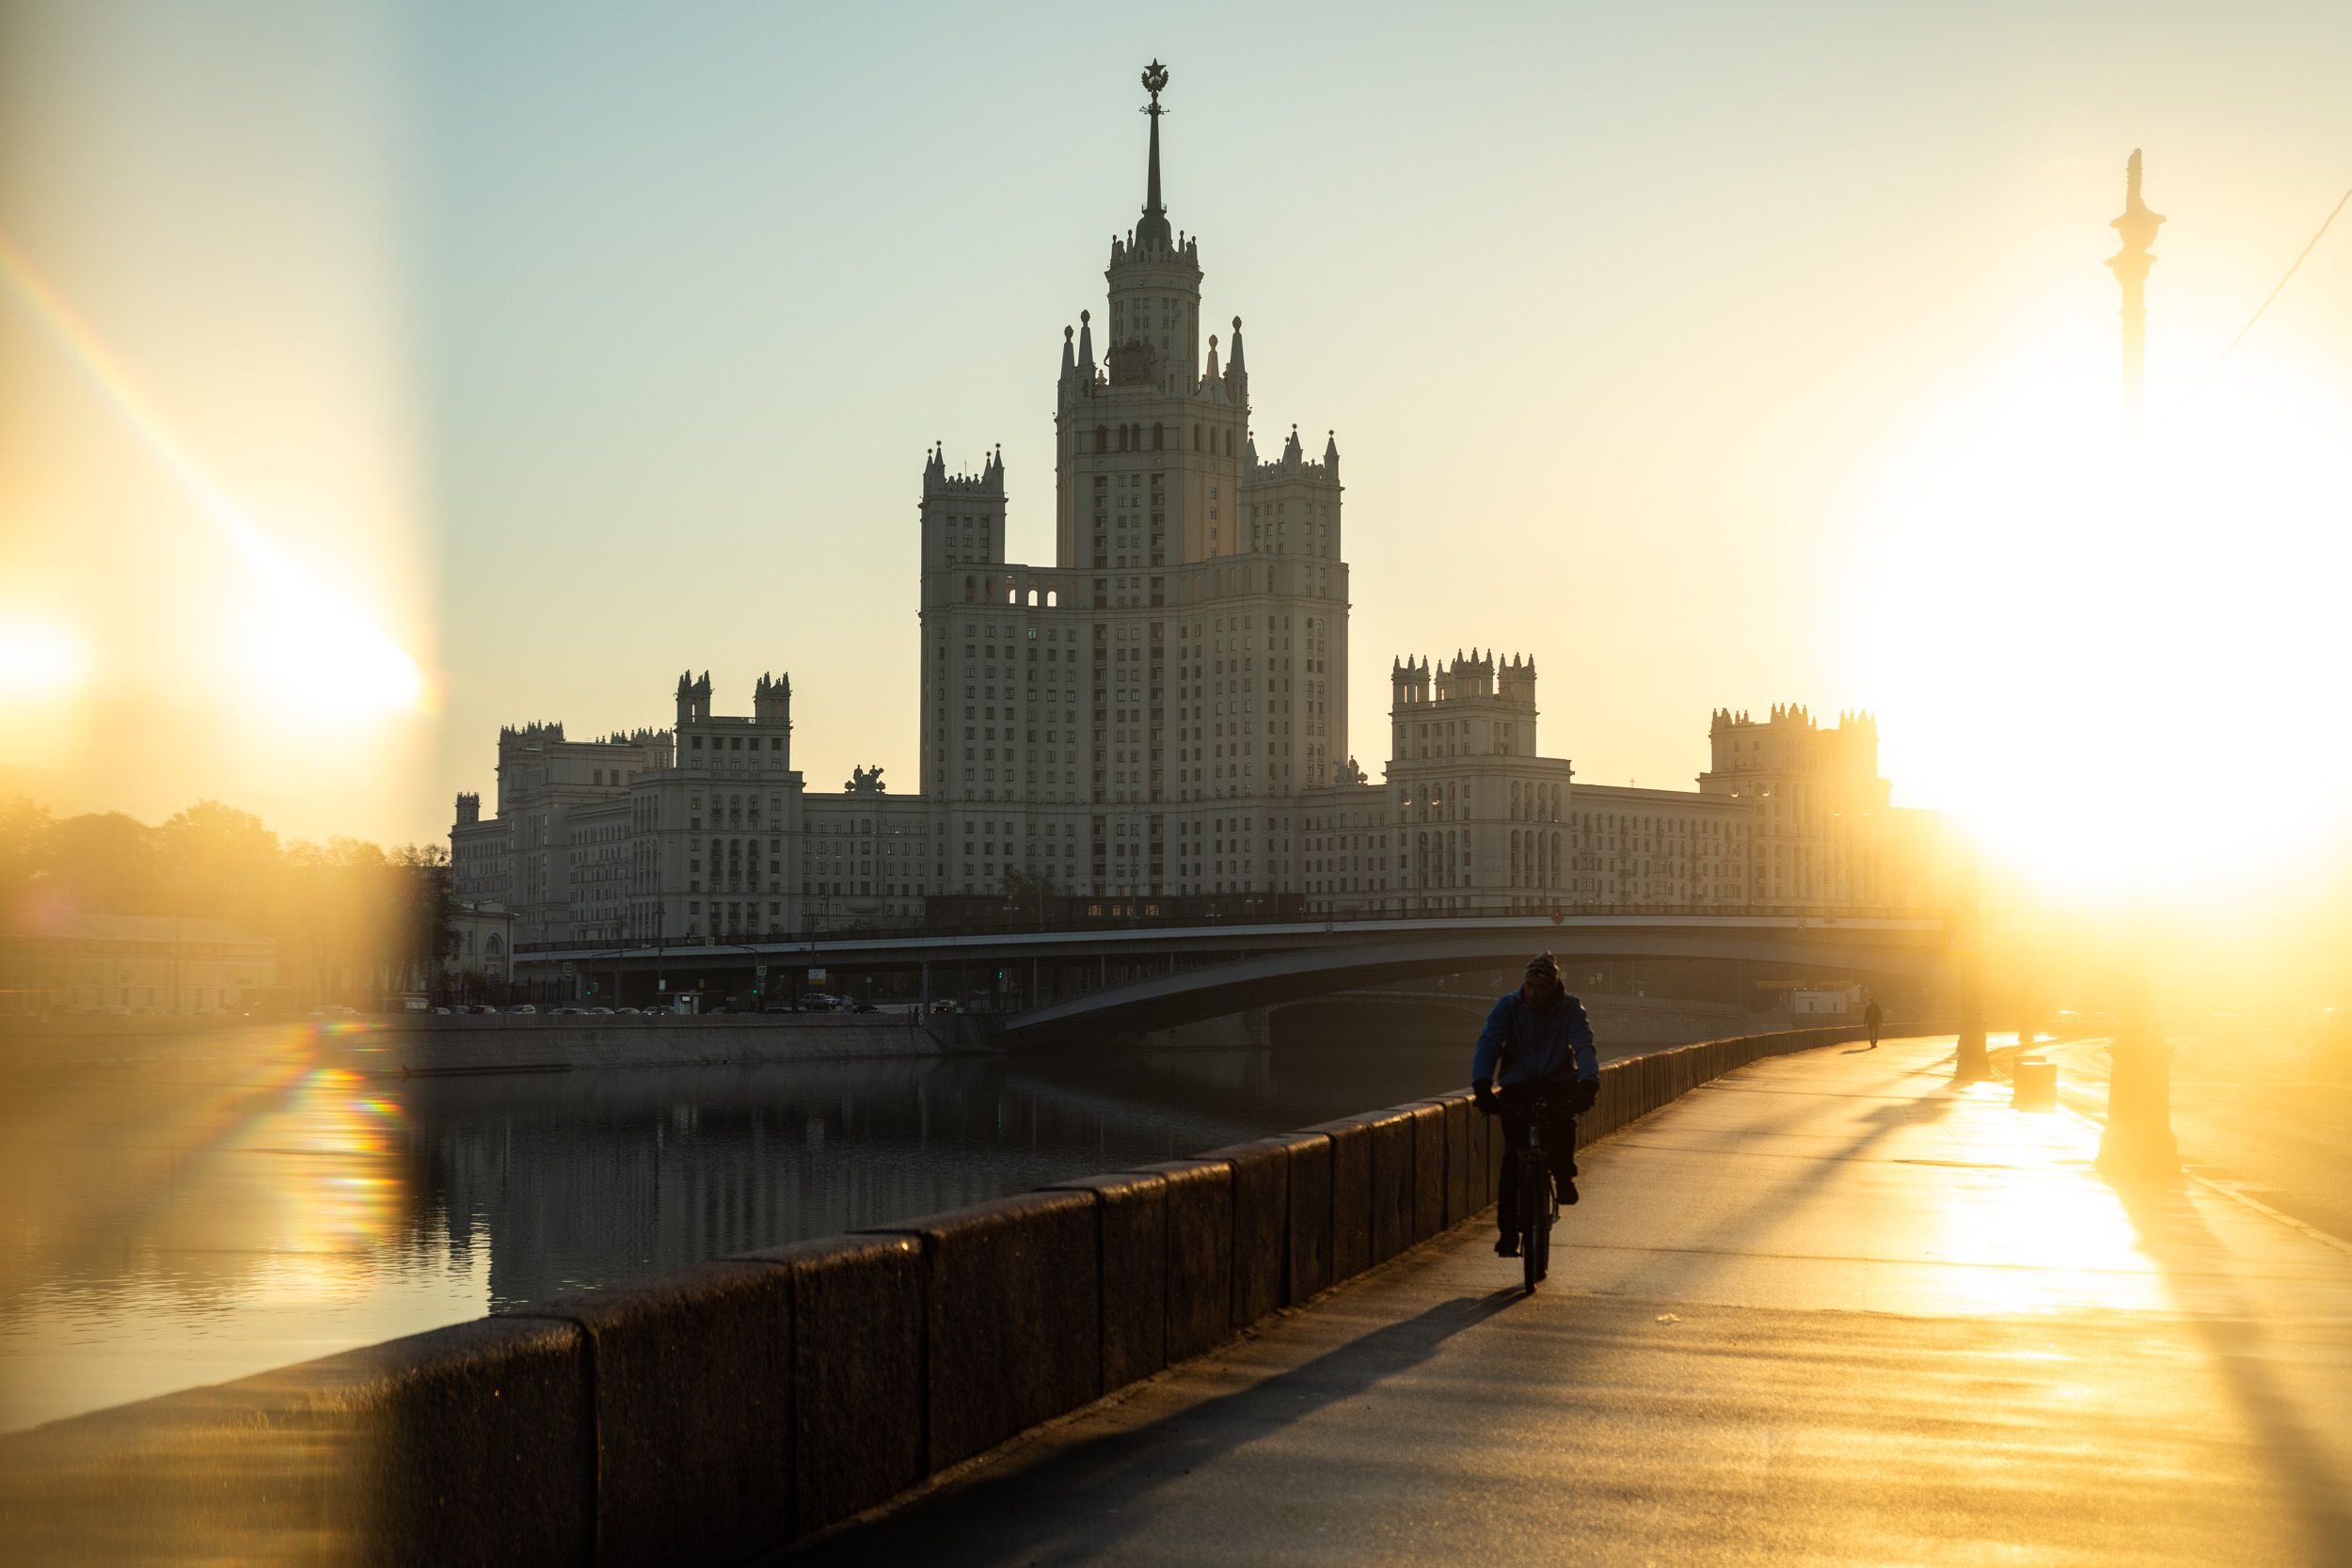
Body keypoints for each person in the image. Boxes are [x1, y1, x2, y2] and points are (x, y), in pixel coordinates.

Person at [1472, 953, 1599, 1257]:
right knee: (1513, 1161)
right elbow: (1489, 1043)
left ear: (1553, 987)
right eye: (1528, 985)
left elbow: (1583, 1045)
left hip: (1557, 1082)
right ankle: (1507, 1235)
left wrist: (1589, 1082)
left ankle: (1564, 1176)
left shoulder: (1570, 1009)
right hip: (1518, 1086)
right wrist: (1481, 1084)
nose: (1532, 993)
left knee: (1562, 1124)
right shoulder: (1508, 1007)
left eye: (1540, 987)